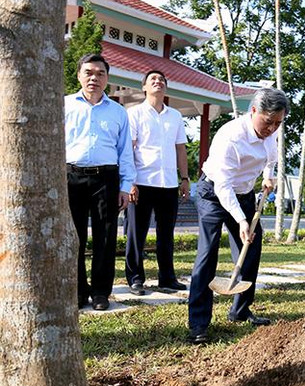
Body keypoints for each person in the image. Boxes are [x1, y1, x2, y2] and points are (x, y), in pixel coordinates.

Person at [187, 88, 288, 344]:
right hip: (213, 192)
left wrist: (268, 177)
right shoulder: (231, 137)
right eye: (268, 122)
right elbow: (223, 186)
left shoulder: (271, 133)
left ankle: (240, 310)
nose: (272, 128)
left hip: (244, 195)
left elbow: (271, 160)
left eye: (278, 123)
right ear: (253, 111)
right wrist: (242, 219)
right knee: (208, 253)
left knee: (250, 248)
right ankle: (199, 323)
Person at [65, 54, 136, 311]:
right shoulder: (64, 106)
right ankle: (77, 291)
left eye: (100, 73)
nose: (94, 78)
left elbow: (125, 152)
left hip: (106, 178)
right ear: (79, 75)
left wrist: (126, 187)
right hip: (71, 177)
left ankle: (100, 293)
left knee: (105, 237)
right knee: (74, 237)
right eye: (89, 72)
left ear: (107, 78)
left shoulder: (118, 112)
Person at [125, 70, 189, 295]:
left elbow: (180, 148)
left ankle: (167, 279)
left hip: (169, 183)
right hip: (141, 182)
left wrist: (184, 178)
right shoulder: (134, 114)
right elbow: (129, 149)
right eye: (153, 80)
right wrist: (129, 181)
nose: (158, 82)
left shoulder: (175, 116)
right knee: (136, 234)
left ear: (166, 87)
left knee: (166, 235)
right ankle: (135, 278)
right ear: (144, 87)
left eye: (162, 80)